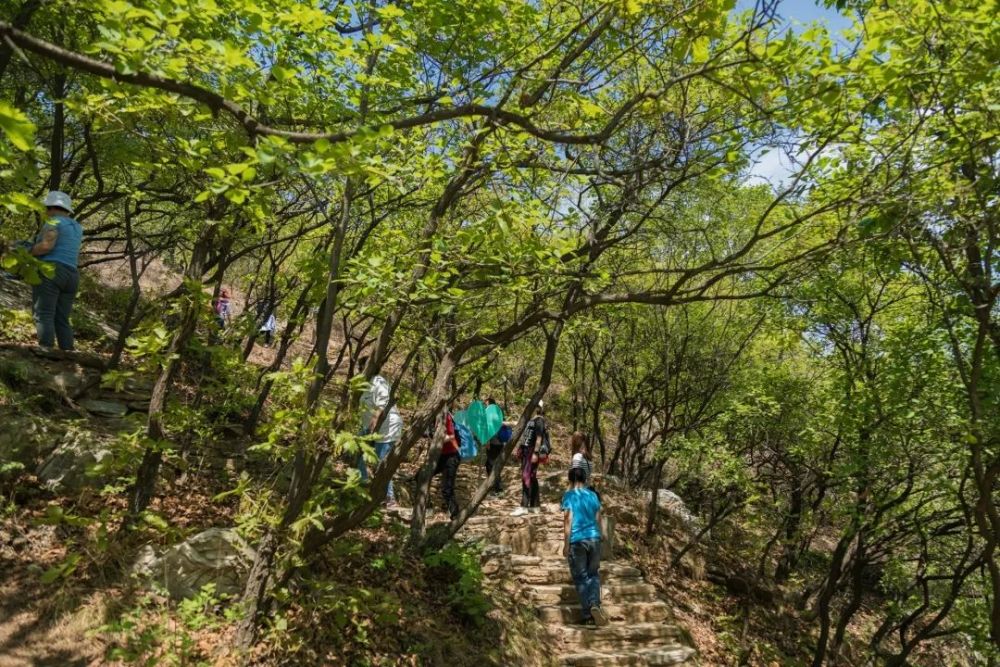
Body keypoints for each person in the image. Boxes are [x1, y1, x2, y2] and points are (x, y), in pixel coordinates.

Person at [29, 191, 83, 351]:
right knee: (62, 317)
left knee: (43, 311)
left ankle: (46, 349)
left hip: (52, 271)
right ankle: (67, 351)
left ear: (51, 208)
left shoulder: (53, 222)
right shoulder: (77, 227)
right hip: (72, 275)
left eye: (46, 208)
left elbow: (46, 246)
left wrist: (27, 251)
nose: (45, 212)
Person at [561, 467, 608, 627]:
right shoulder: (593, 495)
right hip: (594, 538)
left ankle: (588, 615)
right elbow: (599, 516)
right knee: (593, 574)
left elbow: (568, 520)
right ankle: (595, 604)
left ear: (571, 479)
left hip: (577, 541)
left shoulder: (569, 496)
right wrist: (602, 534)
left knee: (581, 577)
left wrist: (566, 544)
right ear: (584, 479)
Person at [357, 359, 404, 506]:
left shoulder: (378, 381)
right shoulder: (365, 384)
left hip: (386, 428)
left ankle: (389, 498)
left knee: (381, 462)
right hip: (371, 428)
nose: (360, 370)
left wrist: (374, 422)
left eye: (362, 367)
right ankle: (362, 483)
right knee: (358, 451)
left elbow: (383, 403)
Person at [512, 400, 549, 516]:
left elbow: (538, 438)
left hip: (531, 451)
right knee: (531, 477)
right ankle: (535, 505)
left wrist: (536, 452)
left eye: (535, 406)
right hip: (527, 451)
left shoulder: (539, 420)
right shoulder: (532, 420)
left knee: (526, 476)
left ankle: (524, 505)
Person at [432, 403, 461, 518]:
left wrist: (436, 441)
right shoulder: (434, 418)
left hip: (451, 455)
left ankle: (455, 515)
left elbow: (451, 436)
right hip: (440, 455)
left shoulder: (446, 417)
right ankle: (427, 506)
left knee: (447, 488)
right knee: (421, 477)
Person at [484, 397, 505, 495]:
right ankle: (496, 487)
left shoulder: (489, 411)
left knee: (491, 465)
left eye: (486, 403)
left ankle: (497, 488)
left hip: (493, 442)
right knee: (492, 464)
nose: (485, 405)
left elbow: (488, 426)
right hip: (500, 442)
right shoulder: (498, 411)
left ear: (489, 403)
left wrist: (487, 441)